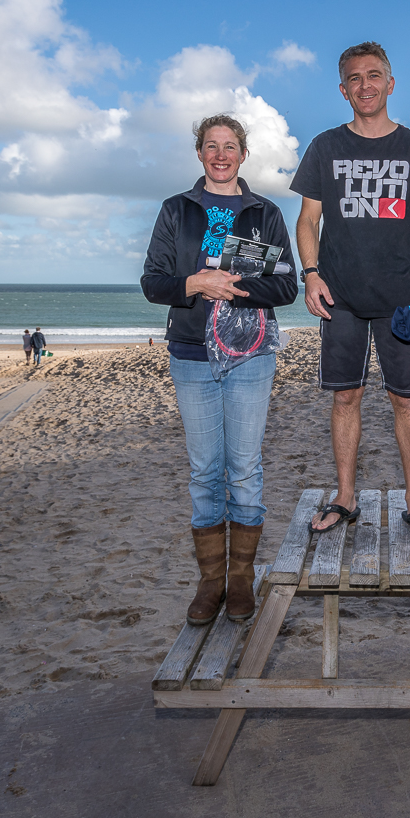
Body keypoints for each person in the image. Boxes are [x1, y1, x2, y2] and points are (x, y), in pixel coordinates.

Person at [290, 42, 410, 538]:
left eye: (374, 75)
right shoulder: (325, 146)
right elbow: (308, 219)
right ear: (343, 90)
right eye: (355, 78)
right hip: (338, 296)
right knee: (346, 397)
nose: (365, 85)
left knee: (407, 400)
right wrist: (311, 274)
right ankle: (345, 496)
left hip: (403, 300)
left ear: (390, 83)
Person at [141, 114, 297, 625]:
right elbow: (153, 282)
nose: (221, 154)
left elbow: (287, 286)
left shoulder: (265, 212)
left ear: (243, 154)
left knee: (245, 468)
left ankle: (241, 580)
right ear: (200, 153)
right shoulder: (176, 209)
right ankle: (211, 583)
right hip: (190, 354)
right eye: (212, 146)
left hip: (251, 355)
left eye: (230, 146)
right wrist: (196, 283)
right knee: (205, 471)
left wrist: (232, 287)